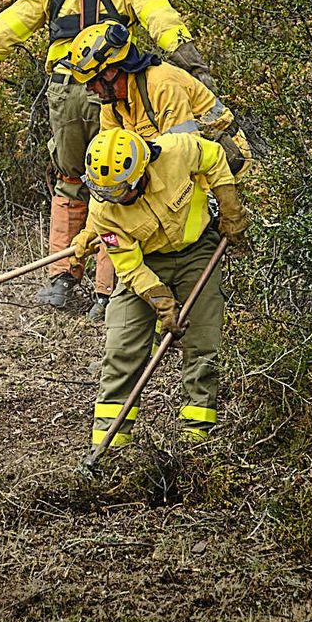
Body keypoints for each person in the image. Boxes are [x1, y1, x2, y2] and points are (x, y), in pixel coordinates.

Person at [0, 0, 211, 310]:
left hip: (65, 90)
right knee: (117, 178)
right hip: (114, 91)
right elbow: (160, 18)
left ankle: (61, 280)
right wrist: (192, 63)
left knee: (70, 181)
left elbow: (10, 24)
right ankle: (107, 292)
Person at [53, 20, 253, 319]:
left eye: (93, 80)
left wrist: (226, 212)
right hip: (168, 176)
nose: (90, 89)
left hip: (217, 169)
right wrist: (92, 231)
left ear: (111, 70)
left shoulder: (162, 84)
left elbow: (185, 159)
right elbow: (109, 176)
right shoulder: (113, 105)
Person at [68, 127, 249, 448]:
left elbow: (216, 157)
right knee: (122, 347)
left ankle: (195, 436)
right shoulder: (104, 210)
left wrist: (230, 207)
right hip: (146, 262)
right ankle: (110, 445)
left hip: (198, 250)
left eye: (119, 192)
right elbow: (129, 266)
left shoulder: (177, 151)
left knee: (203, 342)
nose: (111, 199)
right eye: (104, 192)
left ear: (140, 175)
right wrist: (162, 302)